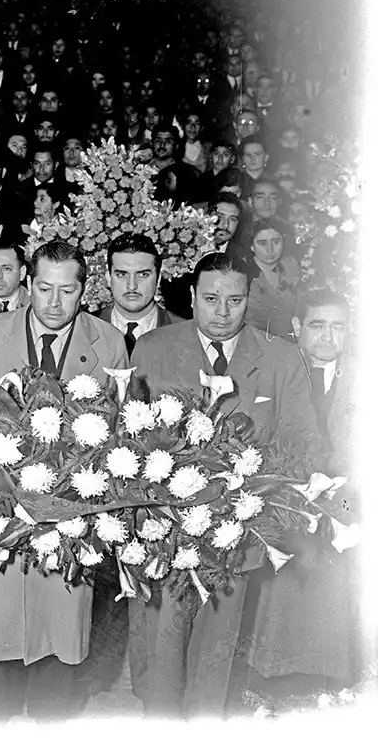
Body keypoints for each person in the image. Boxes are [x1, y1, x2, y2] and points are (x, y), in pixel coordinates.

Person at [127, 252, 319, 717]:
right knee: (160, 655)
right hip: (166, 533)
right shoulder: (153, 347)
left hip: (237, 533)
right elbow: (126, 436)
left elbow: (302, 443)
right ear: (191, 297)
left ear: (249, 300)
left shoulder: (280, 356)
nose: (222, 311)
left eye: (235, 300)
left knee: (216, 655)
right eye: (210, 298)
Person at [0, 239, 128, 720]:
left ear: (85, 290)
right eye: (43, 288)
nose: (54, 303)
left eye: (67, 290)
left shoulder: (109, 342)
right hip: (2, 512)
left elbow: (118, 433)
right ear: (27, 284)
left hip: (71, 518)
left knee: (60, 634)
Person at [238, 288, 364, 700]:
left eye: (337, 326)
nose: (328, 336)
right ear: (296, 328)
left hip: (350, 494)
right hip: (285, 490)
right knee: (286, 572)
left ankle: (332, 670)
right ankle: (276, 669)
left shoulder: (364, 378)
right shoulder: (278, 372)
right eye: (317, 325)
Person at [99, 232, 183, 356]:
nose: (132, 286)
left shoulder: (186, 334)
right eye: (122, 274)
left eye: (143, 274)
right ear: (109, 278)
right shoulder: (81, 330)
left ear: (158, 279)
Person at [243, 218, 300, 338]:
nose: (270, 249)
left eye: (276, 241)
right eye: (262, 243)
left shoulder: (291, 267)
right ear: (252, 246)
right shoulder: (242, 274)